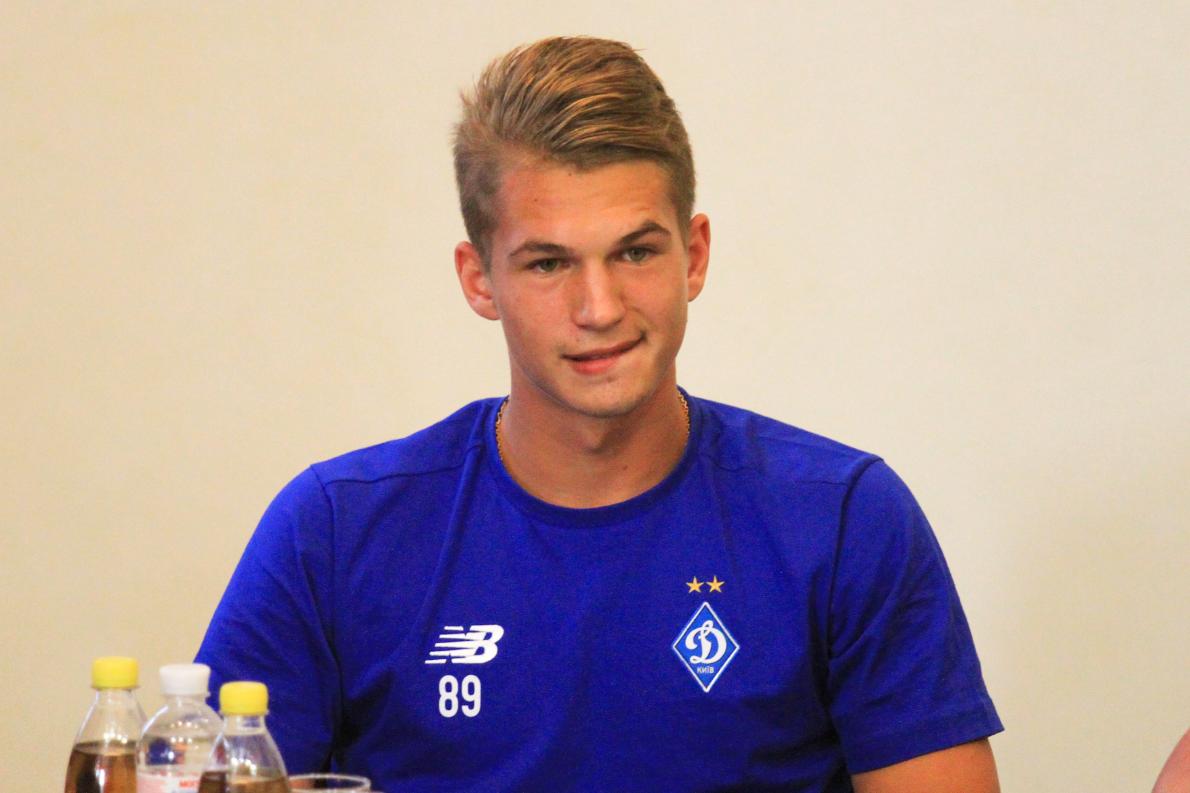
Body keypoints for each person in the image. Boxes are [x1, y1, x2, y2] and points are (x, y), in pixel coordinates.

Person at [196, 36, 1003, 792]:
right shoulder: (334, 532)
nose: (600, 307)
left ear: (695, 255)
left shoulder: (845, 520)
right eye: (549, 263)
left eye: (636, 252)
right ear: (479, 280)